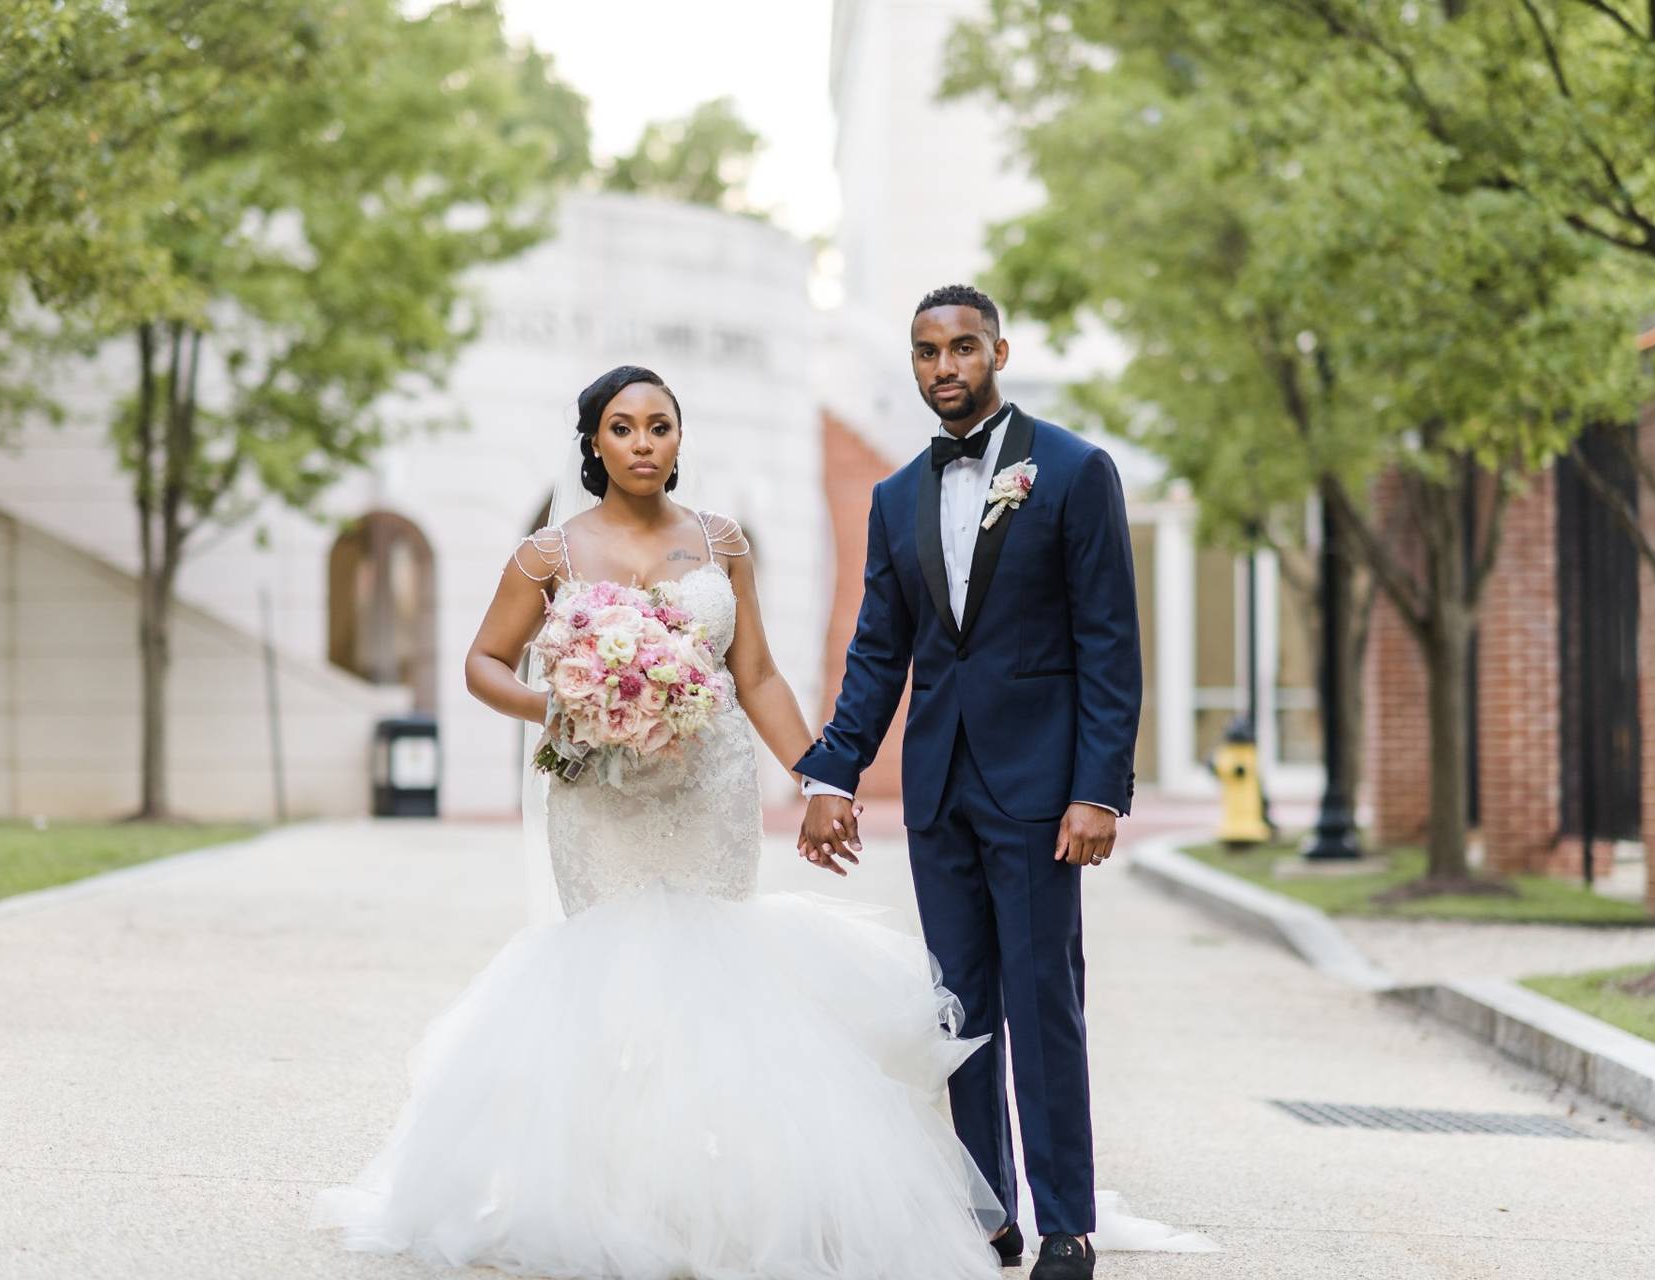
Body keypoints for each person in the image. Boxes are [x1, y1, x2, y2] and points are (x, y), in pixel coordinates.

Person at [311, 364, 1006, 1278]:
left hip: (707, 788)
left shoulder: (721, 543)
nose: (644, 444)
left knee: (712, 979)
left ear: (681, 440)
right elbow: (484, 659)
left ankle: (714, 1207)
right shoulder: (547, 554)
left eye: (661, 427)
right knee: (613, 982)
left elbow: (754, 674)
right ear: (593, 444)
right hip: (597, 795)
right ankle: (610, 1206)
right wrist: (558, 709)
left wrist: (817, 778)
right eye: (624, 428)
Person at [794, 284, 1144, 1280]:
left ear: (998, 349)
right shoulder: (895, 494)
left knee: (1043, 1002)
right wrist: (834, 772)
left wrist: (1099, 787)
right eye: (925, 351)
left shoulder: (1075, 472)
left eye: (960, 347)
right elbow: (878, 653)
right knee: (960, 1010)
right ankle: (985, 1212)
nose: (942, 367)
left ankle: (1066, 1221)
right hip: (939, 787)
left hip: (1042, 790)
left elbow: (1108, 644)